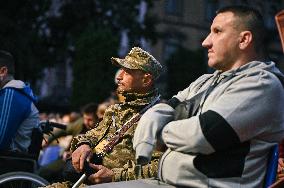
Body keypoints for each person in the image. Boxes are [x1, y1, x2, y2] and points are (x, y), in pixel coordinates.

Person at [89, 5, 284, 188]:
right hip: (168, 182)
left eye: (217, 32)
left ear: (244, 39)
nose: (205, 41)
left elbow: (202, 135)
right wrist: (162, 121)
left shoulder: (262, 84)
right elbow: (164, 108)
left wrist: (159, 128)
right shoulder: (206, 81)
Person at [45, 47, 163, 187]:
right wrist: (84, 145)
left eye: (127, 72)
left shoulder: (158, 116)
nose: (119, 77)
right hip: (84, 182)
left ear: (146, 80)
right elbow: (92, 134)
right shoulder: (115, 110)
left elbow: (162, 167)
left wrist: (114, 176)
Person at [0, 50, 39, 153]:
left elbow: (1, 140)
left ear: (3, 71)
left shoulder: (11, 94)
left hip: (8, 161)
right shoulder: (13, 93)